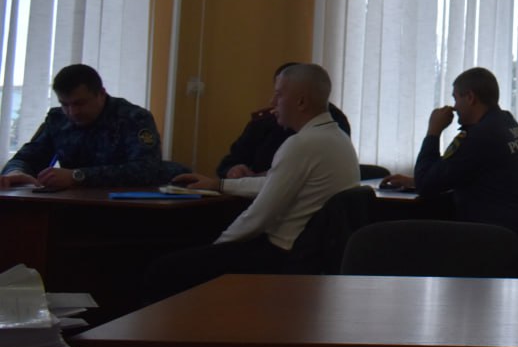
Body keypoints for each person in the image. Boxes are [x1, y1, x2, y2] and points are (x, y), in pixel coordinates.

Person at [144, 64, 360, 300]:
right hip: (311, 255)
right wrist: (219, 185)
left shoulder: (301, 144)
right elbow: (273, 183)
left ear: (301, 102)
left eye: (278, 94)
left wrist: (217, 246)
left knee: (164, 269)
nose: (272, 102)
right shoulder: (337, 138)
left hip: (282, 256)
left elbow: (259, 216)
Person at [1, 63, 180, 191]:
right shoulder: (58, 119)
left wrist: (77, 176)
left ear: (101, 94)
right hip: (73, 204)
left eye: (79, 103)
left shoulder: (134, 118)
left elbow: (146, 170)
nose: (72, 112)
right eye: (65, 104)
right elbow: (27, 157)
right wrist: (15, 173)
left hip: (128, 207)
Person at [413, 67, 518, 241]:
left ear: (470, 97)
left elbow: (425, 184)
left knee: (417, 237)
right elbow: (459, 172)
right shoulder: (505, 122)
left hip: (494, 237)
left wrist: (433, 131)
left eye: (456, 98)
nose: (454, 107)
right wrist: (420, 178)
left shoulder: (482, 135)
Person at [216, 62, 352, 178]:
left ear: (301, 99)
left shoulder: (331, 122)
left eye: (279, 94)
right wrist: (233, 170)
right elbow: (227, 164)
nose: (272, 101)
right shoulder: (262, 123)